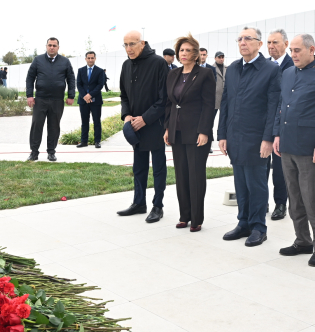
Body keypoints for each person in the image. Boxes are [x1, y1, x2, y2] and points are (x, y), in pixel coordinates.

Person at [274, 34, 315, 267]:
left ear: (311, 50)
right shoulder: (288, 73)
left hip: (311, 147)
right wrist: (277, 134)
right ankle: (302, 240)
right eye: (291, 50)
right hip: (287, 145)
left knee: (312, 198)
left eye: (297, 50)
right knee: (294, 198)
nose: (293, 54)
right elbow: (281, 106)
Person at [218, 27, 281, 246]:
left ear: (259, 44)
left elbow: (274, 107)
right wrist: (222, 134)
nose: (243, 42)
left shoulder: (271, 70)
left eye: (248, 39)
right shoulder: (233, 68)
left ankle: (258, 227)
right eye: (240, 39)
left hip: (257, 138)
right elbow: (225, 102)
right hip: (235, 136)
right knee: (240, 183)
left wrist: (268, 138)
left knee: (257, 184)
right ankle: (243, 223)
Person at [164, 34, 216, 231]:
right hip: (176, 131)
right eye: (181, 50)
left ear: (196, 54)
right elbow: (169, 103)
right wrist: (167, 128)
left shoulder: (204, 74)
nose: (183, 53)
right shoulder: (173, 74)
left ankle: (196, 219)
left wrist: (204, 131)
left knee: (195, 175)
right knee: (181, 175)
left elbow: (208, 105)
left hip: (196, 133)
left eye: (187, 50)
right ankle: (184, 215)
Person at [117, 31, 169, 222]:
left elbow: (164, 98)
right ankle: (139, 202)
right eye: (125, 45)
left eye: (132, 44)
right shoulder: (126, 65)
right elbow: (124, 95)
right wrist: (127, 115)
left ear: (143, 43)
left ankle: (158, 205)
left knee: (158, 168)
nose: (128, 49)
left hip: (154, 125)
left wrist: (145, 118)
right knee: (139, 167)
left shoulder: (158, 63)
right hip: (134, 127)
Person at [25, 38, 75, 162]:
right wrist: (29, 95)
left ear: (58, 47)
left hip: (57, 100)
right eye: (49, 45)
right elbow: (30, 78)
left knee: (54, 127)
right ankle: (34, 152)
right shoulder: (38, 60)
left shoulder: (65, 62)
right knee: (37, 125)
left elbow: (71, 79)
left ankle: (51, 152)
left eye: (54, 45)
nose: (52, 47)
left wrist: (71, 95)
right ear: (46, 46)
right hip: (40, 99)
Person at [266, 29, 293, 220]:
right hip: (264, 122)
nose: (271, 46)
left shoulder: (293, 65)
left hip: (283, 123)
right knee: (261, 166)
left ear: (286, 43)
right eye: (268, 43)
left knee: (279, 168)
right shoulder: (265, 65)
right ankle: (262, 201)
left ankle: (280, 203)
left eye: (275, 42)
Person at [76, 51, 106, 148]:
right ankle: (84, 141)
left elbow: (100, 85)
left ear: (95, 58)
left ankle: (97, 141)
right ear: (85, 59)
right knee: (84, 122)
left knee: (96, 121)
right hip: (83, 100)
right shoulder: (81, 70)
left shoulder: (100, 71)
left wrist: (90, 95)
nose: (90, 60)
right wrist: (85, 96)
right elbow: (79, 85)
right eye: (88, 58)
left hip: (96, 100)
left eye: (92, 58)